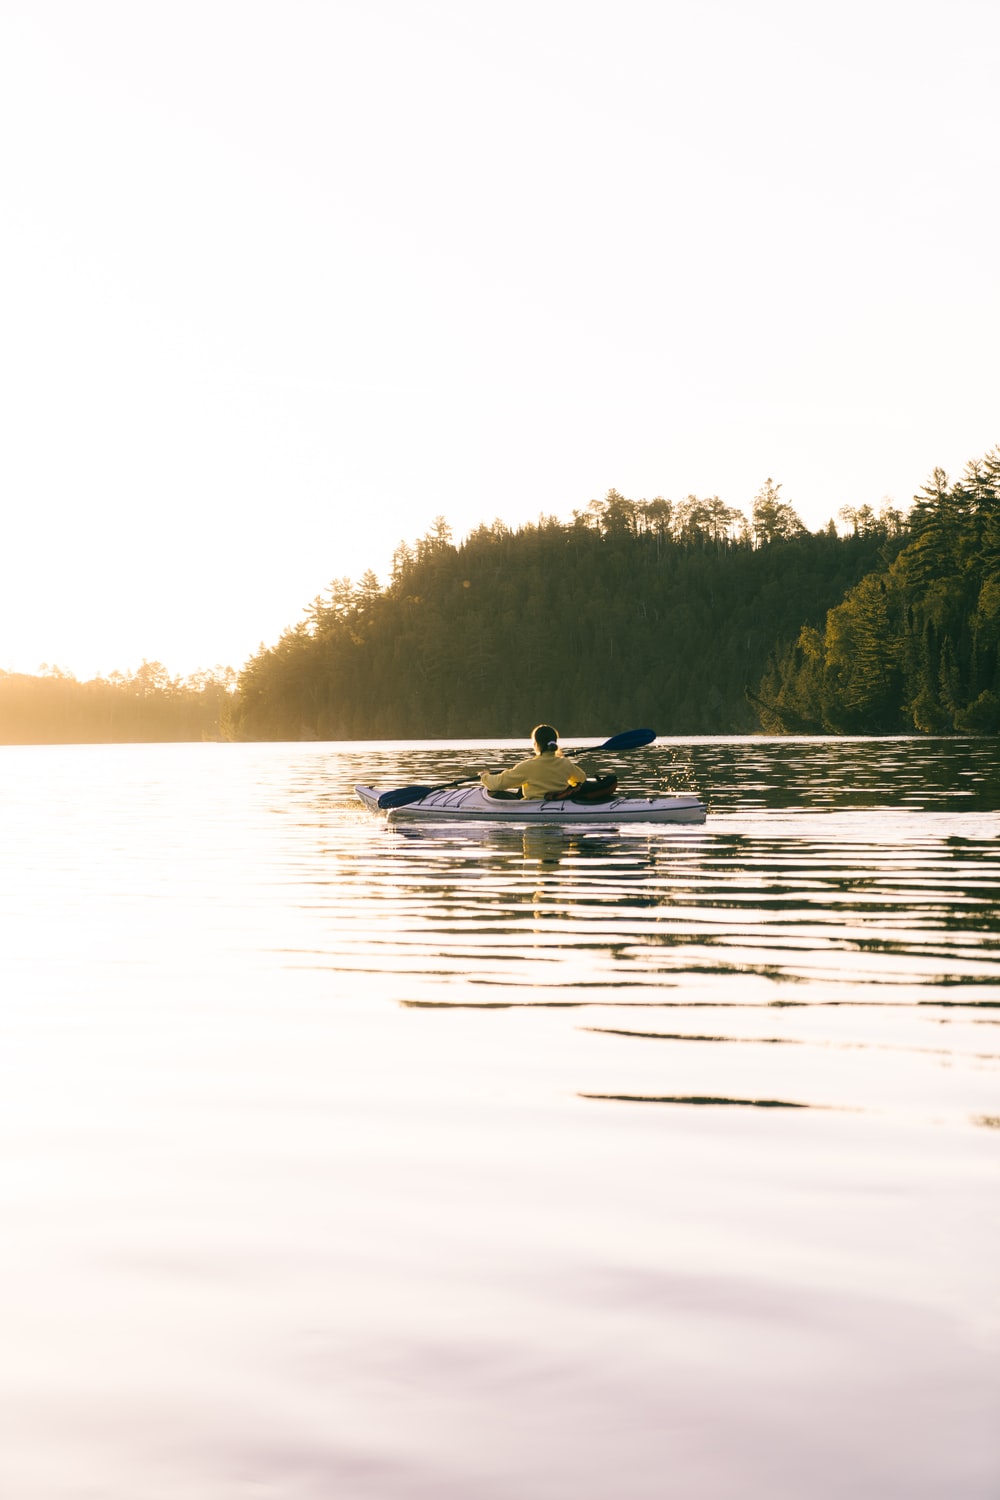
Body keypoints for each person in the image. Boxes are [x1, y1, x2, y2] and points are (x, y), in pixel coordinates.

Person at [480, 725, 587, 801]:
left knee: (495, 793)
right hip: (558, 802)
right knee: (521, 789)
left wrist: (484, 776)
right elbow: (581, 778)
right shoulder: (565, 763)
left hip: (532, 807)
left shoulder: (528, 766)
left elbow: (496, 784)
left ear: (536, 744)